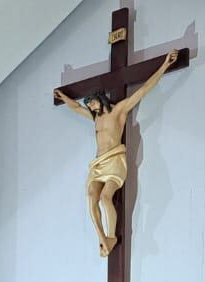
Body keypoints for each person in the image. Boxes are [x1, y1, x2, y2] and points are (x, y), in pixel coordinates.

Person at [53, 49, 181, 257]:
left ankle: (110, 236)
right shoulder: (96, 118)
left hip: (114, 161)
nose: (92, 107)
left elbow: (144, 89)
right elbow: (76, 108)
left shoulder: (119, 110)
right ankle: (103, 238)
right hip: (98, 164)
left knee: (105, 198)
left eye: (93, 103)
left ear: (100, 98)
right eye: (90, 106)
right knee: (90, 196)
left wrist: (165, 64)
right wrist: (64, 97)